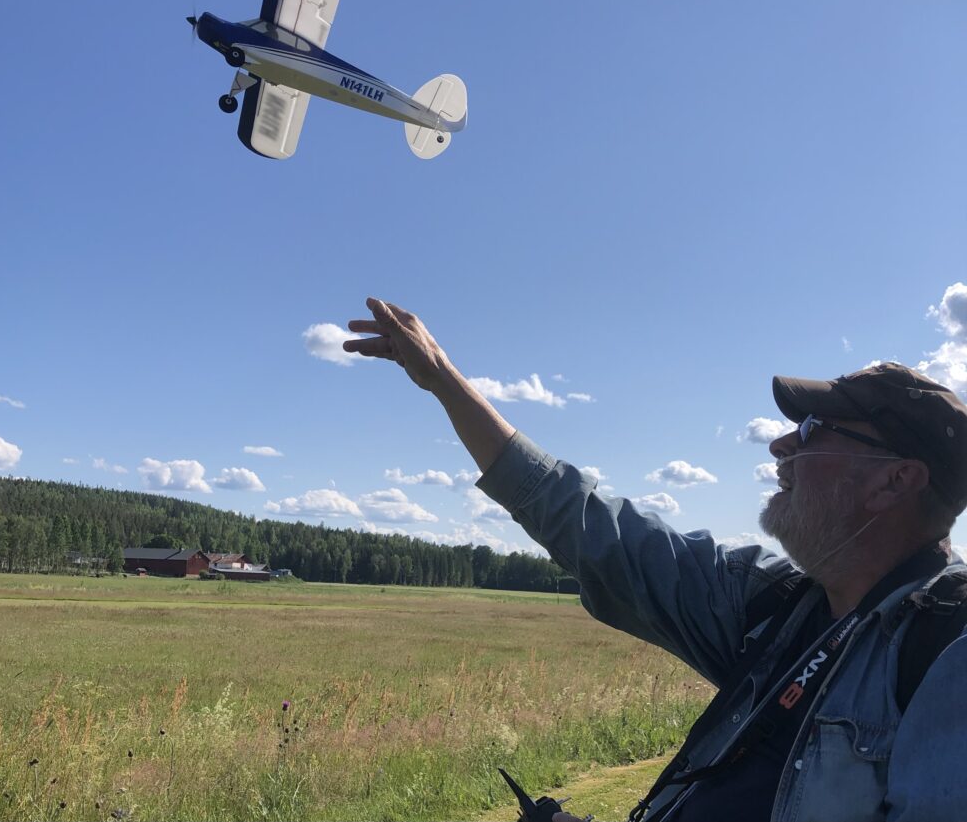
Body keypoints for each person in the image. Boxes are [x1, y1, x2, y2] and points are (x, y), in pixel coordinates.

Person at [343, 297, 967, 822]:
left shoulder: (947, 652)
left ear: (895, 481)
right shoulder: (779, 606)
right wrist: (443, 379)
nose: (780, 446)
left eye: (811, 431)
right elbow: (597, 532)